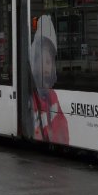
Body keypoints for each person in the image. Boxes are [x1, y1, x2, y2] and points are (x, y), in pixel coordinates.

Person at [29, 14, 69, 145]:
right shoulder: (31, 96)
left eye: (50, 61)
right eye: (43, 60)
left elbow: (62, 130)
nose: (47, 66)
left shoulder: (52, 96)